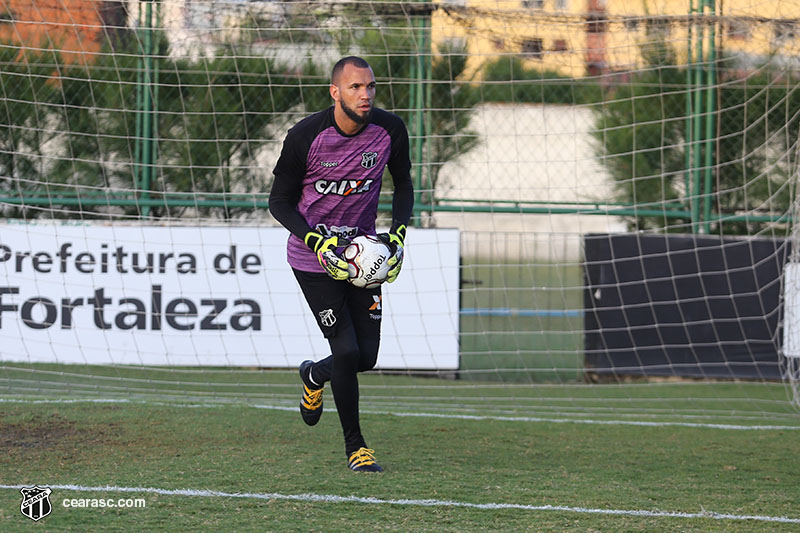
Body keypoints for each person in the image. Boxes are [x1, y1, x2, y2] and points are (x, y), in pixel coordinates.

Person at [269, 56, 414, 472]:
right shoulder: (305, 136)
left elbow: (402, 184)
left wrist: (398, 234)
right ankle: (356, 447)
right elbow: (278, 202)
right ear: (335, 92)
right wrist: (315, 239)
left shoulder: (390, 130)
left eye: (370, 86)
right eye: (355, 87)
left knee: (365, 357)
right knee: (347, 349)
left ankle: (315, 375)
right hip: (314, 261)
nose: (365, 94)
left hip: (364, 258)